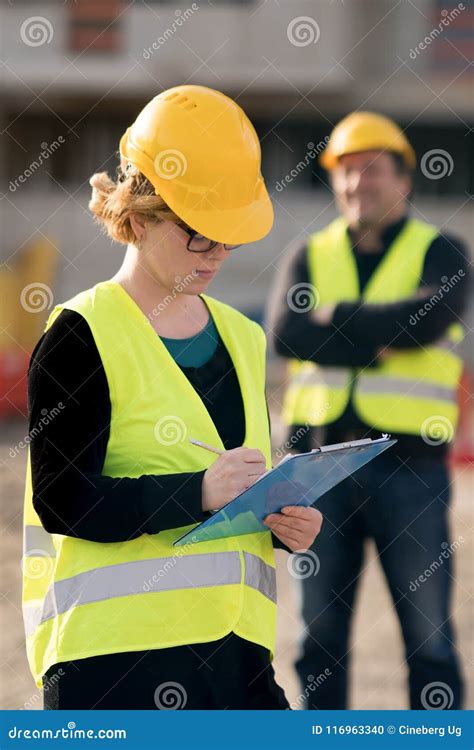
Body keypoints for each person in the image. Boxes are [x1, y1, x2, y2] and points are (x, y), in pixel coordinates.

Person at [22, 84, 322, 710]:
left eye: (227, 238)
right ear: (135, 218)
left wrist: (280, 523)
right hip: (112, 667)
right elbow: (61, 499)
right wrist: (197, 491)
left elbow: (234, 497)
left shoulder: (242, 338)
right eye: (197, 235)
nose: (216, 255)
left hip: (237, 658)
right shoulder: (83, 333)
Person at [266, 111, 469, 710]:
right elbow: (285, 332)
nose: (359, 184)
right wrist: (382, 338)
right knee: (316, 639)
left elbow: (429, 318)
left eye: (372, 171)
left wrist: (335, 321)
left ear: (404, 180)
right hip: (317, 468)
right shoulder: (309, 253)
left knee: (429, 635)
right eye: (347, 173)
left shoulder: (443, 250)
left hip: (410, 467)